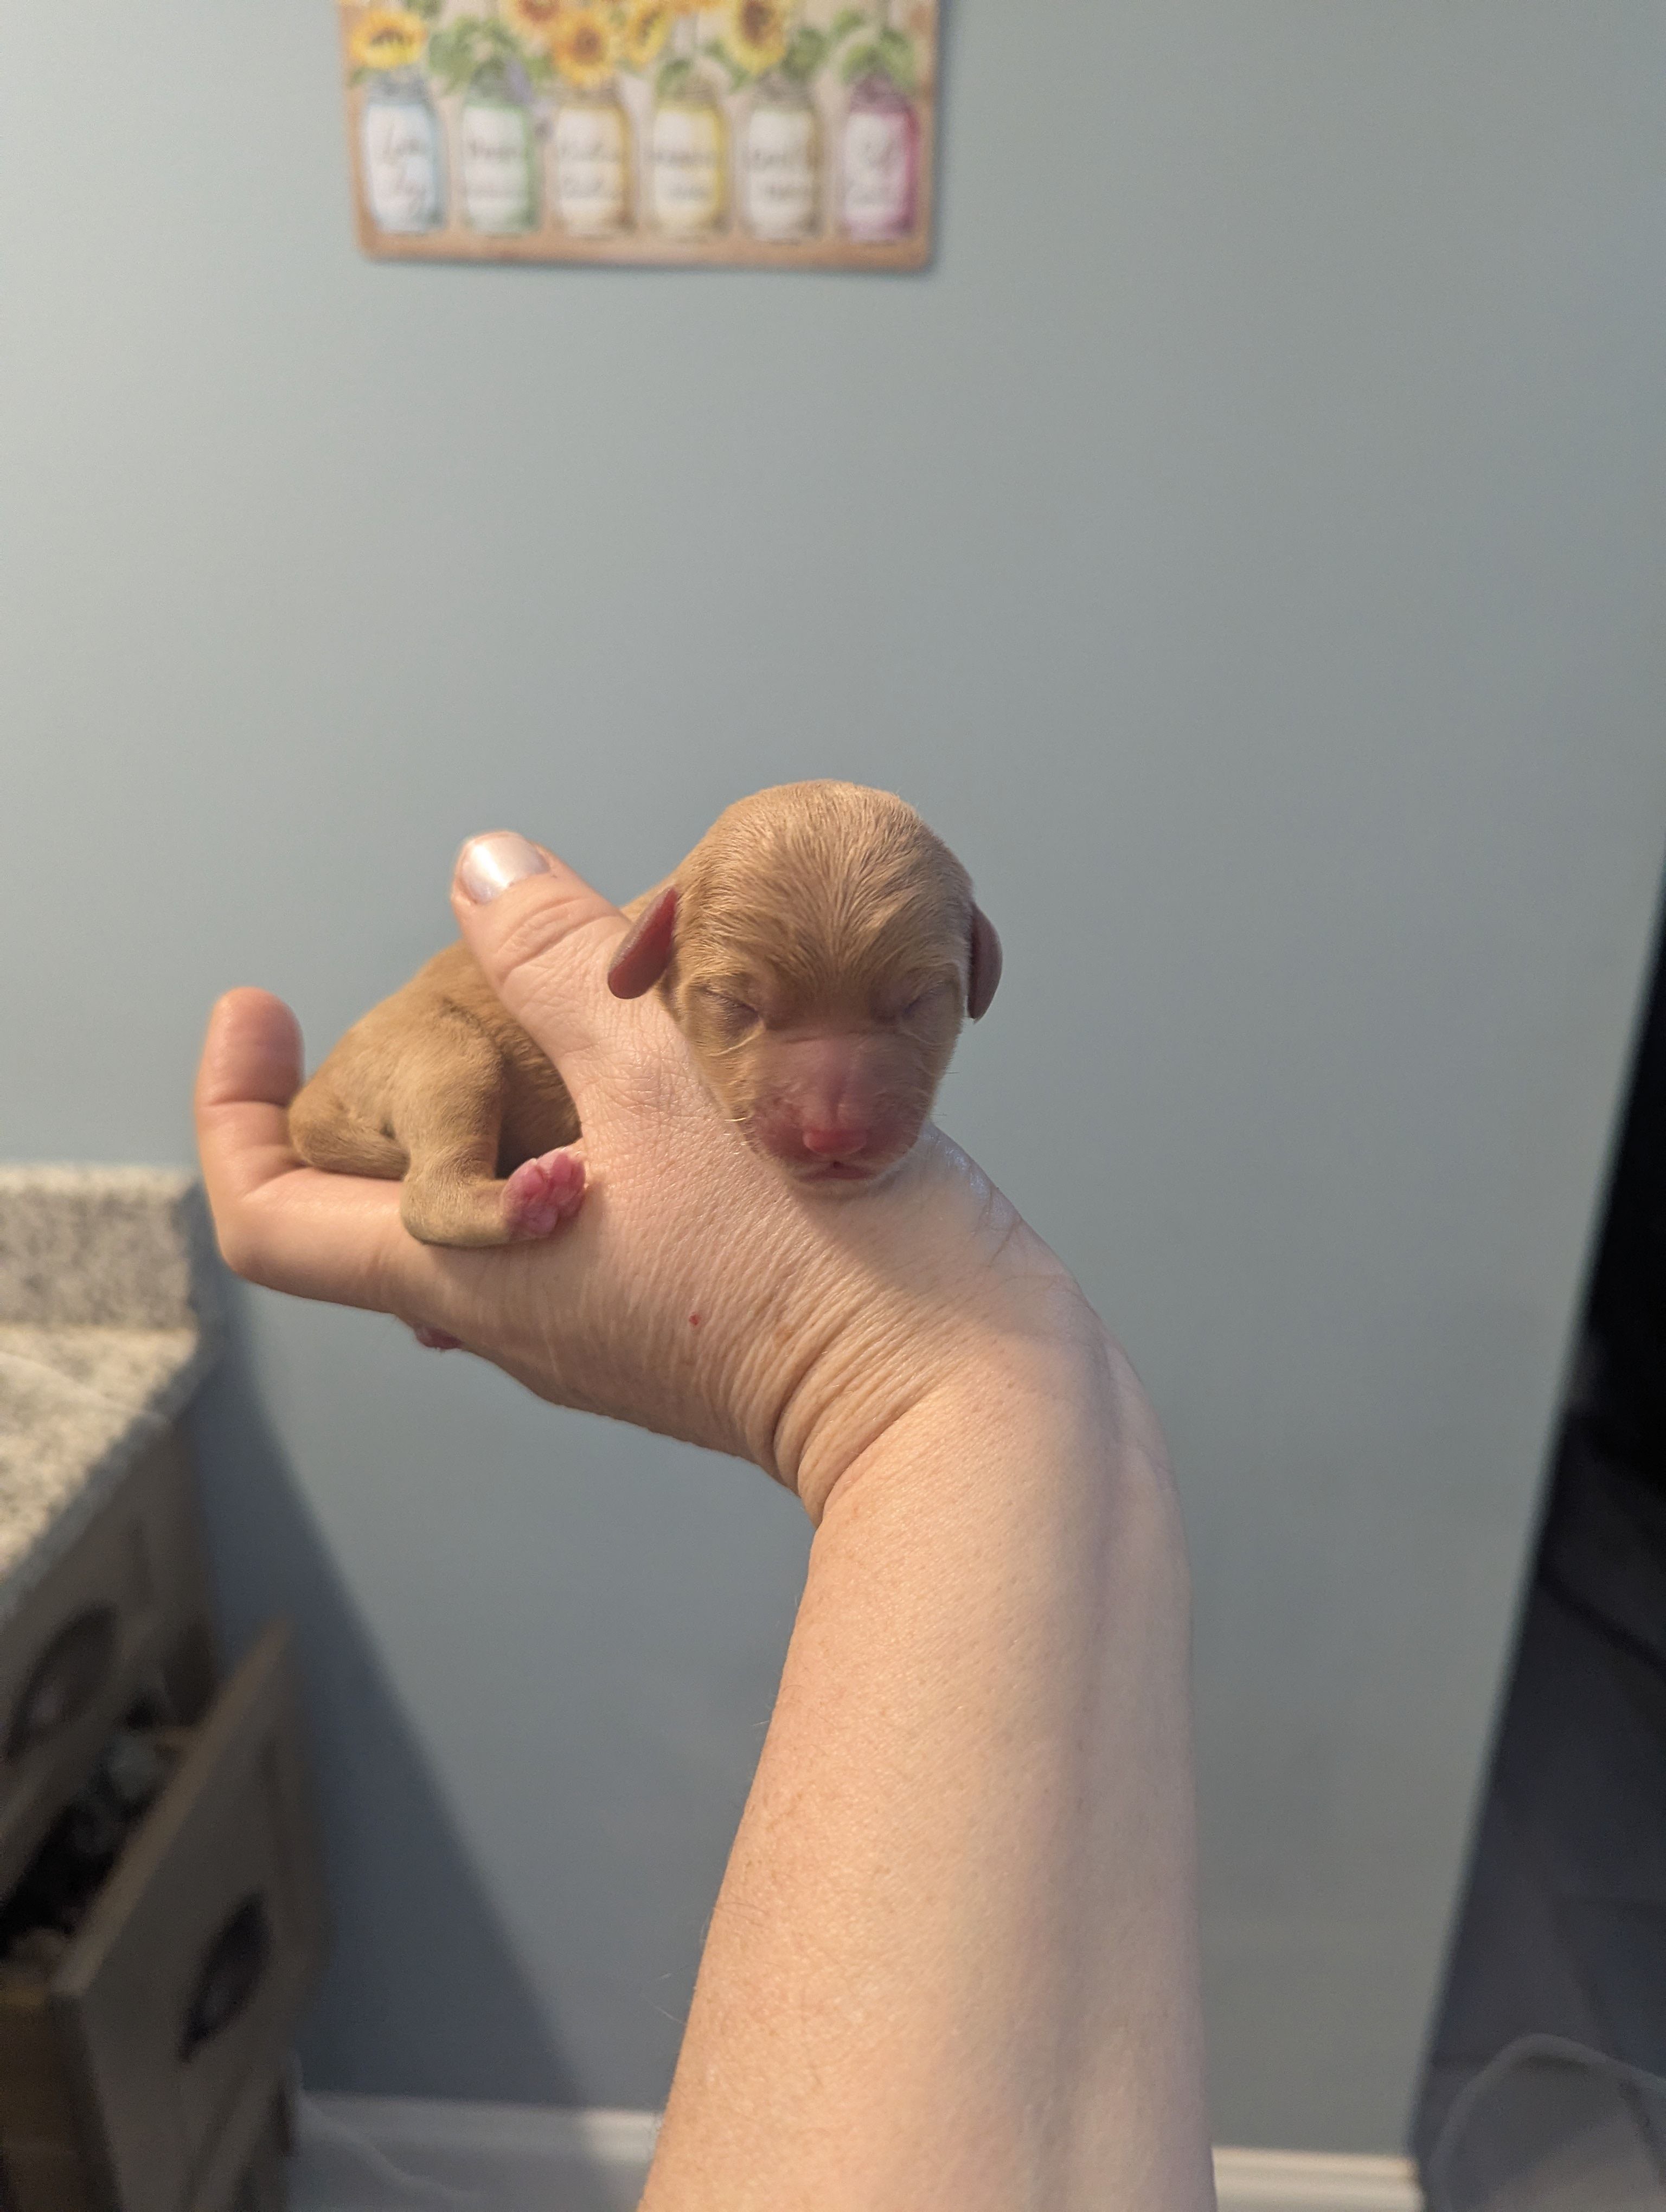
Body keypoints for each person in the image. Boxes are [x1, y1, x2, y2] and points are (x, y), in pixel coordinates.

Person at [194, 832, 1216, 2211]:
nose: (840, 1107)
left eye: (909, 1010)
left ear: (973, 969)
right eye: (746, 1009)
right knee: (454, 1072)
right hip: (419, 1069)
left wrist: (941, 1393)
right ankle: (454, 1193)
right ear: (657, 954)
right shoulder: (607, 992)